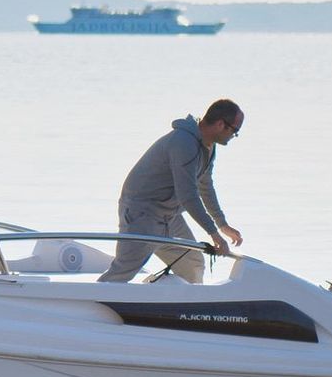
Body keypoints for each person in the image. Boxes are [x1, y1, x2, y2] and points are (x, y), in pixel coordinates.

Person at [97, 100, 245, 283]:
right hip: (143, 214)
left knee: (192, 264)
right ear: (221, 124)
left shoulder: (208, 146)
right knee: (122, 272)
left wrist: (222, 224)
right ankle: (90, 299)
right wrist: (213, 234)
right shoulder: (183, 143)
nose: (234, 136)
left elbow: (205, 186)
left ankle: (171, 300)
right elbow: (188, 196)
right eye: (235, 131)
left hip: (169, 217)